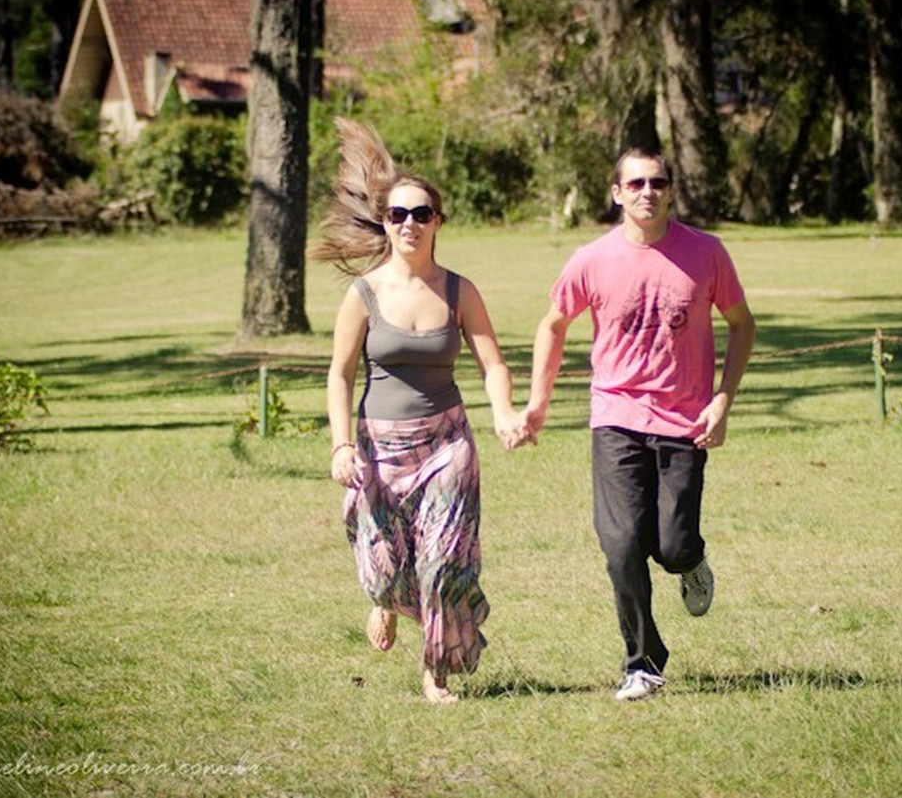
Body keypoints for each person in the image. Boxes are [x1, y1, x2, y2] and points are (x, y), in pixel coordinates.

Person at [522, 148, 756, 701]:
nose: (647, 191)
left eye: (658, 182)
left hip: (685, 419)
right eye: (636, 183)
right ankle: (643, 662)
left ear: (671, 190)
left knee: (671, 547)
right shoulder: (591, 259)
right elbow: (552, 326)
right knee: (622, 544)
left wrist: (723, 400)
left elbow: (742, 325)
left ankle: (691, 561)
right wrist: (537, 403)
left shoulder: (706, 253)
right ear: (616, 193)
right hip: (616, 416)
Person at [314, 119, 526, 704]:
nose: (409, 223)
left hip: (448, 444)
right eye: (398, 215)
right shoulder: (362, 295)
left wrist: (504, 413)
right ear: (385, 222)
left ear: (438, 221)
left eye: (421, 213)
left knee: (441, 562)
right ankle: (383, 600)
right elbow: (340, 373)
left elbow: (493, 364)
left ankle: (435, 672)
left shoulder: (459, 291)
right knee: (385, 567)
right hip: (379, 448)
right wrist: (340, 445)